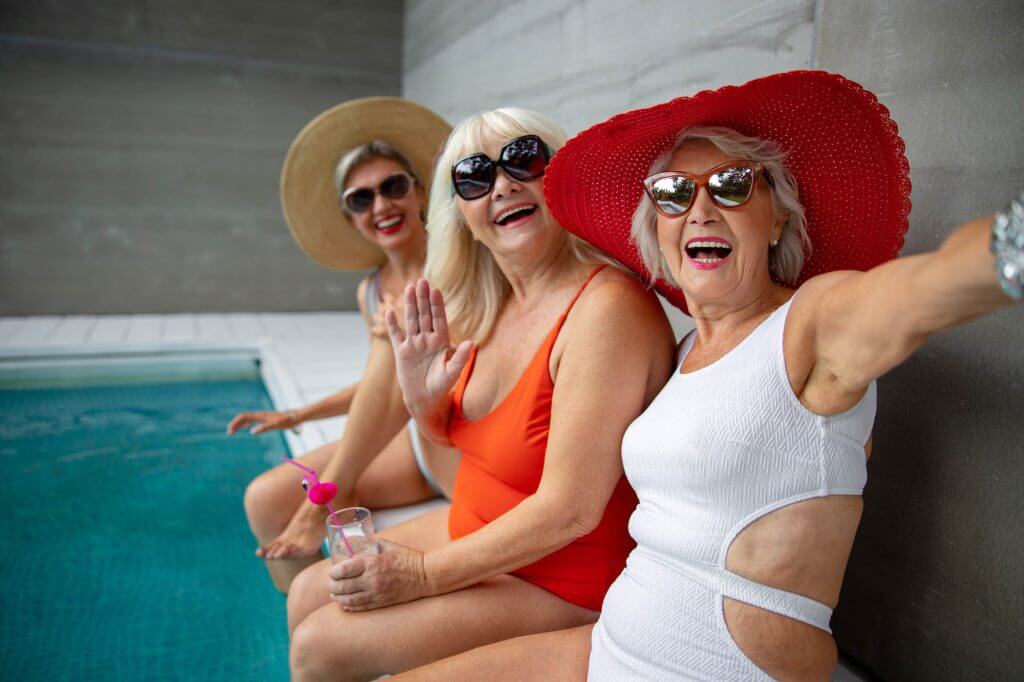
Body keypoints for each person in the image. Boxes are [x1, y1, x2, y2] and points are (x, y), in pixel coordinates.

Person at [395, 71, 1023, 680]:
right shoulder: (689, 346)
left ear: (777, 216)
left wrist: (1009, 246)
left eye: (730, 185)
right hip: (610, 644)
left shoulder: (810, 322)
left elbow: (921, 291)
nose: (699, 208)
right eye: (671, 193)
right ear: (658, 231)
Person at [284, 108, 675, 681]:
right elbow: (454, 437)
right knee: (305, 593)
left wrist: (423, 576)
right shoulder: (488, 302)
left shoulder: (605, 310)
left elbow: (572, 510)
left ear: (559, 175)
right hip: (480, 530)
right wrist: (423, 402)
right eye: (474, 176)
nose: (503, 185)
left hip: (563, 577)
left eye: (524, 159)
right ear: (461, 214)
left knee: (322, 645)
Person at [228, 98, 460, 593]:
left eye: (394, 187)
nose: (381, 206)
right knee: (264, 499)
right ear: (350, 216)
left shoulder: (458, 261)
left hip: (458, 442)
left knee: (324, 492)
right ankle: (299, 620)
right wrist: (296, 417)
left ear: (420, 192)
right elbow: (385, 388)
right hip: (414, 440)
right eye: (361, 199)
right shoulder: (371, 289)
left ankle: (327, 500)